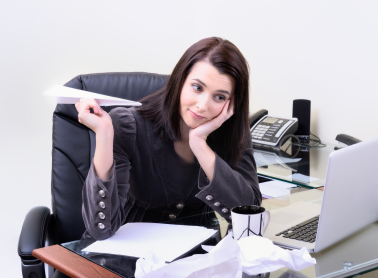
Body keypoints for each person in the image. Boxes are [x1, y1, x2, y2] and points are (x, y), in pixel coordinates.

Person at [75, 37, 262, 240]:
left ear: (232, 103)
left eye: (219, 97)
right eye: (197, 88)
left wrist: (200, 145)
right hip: (127, 256)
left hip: (195, 258)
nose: (202, 105)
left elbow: (249, 217)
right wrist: (104, 135)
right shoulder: (128, 126)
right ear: (180, 81)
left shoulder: (231, 132)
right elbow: (101, 229)